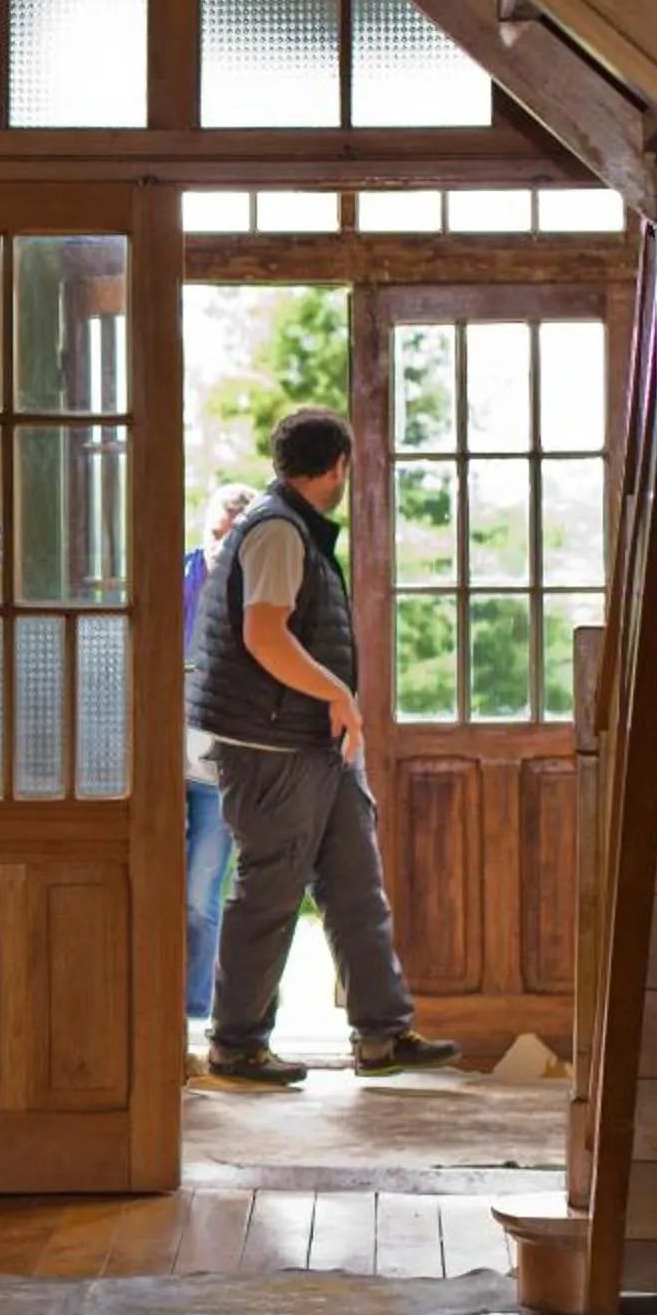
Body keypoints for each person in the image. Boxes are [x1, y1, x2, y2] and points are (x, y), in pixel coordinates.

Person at [186, 407, 460, 1087]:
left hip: (311, 744)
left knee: (353, 882)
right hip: (274, 746)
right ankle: (237, 1044)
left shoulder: (288, 526)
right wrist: (338, 693)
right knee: (269, 892)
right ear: (336, 466)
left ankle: (382, 1033)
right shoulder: (278, 532)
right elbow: (265, 635)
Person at [181, 482, 260, 1024]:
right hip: (156, 756)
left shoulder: (261, 597)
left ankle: (192, 1015)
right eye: (216, 536)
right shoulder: (174, 576)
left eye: (233, 540)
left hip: (219, 766)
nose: (220, 548)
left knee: (199, 895)